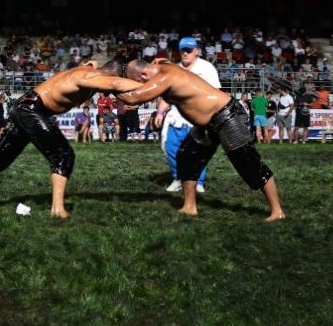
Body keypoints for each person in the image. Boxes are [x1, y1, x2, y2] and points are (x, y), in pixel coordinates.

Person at [0, 60, 143, 219]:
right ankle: (57, 210)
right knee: (63, 155)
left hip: (25, 107)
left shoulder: (90, 74)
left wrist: (137, 97)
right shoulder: (89, 75)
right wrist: (153, 85)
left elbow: (118, 89)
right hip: (32, 109)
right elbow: (115, 83)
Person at [118, 58, 286, 221]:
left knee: (249, 163)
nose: (141, 85)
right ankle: (189, 207)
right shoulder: (163, 69)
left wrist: (97, 82)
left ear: (144, 75)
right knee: (186, 156)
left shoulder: (165, 75)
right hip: (209, 122)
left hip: (227, 115)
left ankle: (277, 211)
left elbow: (133, 97)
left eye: (138, 81)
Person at [161, 37, 221, 193]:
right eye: (183, 50)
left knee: (197, 152)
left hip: (198, 118)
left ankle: (197, 181)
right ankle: (178, 178)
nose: (185, 53)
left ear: (197, 51)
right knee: (171, 148)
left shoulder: (207, 68)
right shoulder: (175, 69)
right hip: (177, 117)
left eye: (189, 50)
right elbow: (167, 94)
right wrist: (160, 111)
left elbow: (216, 92)